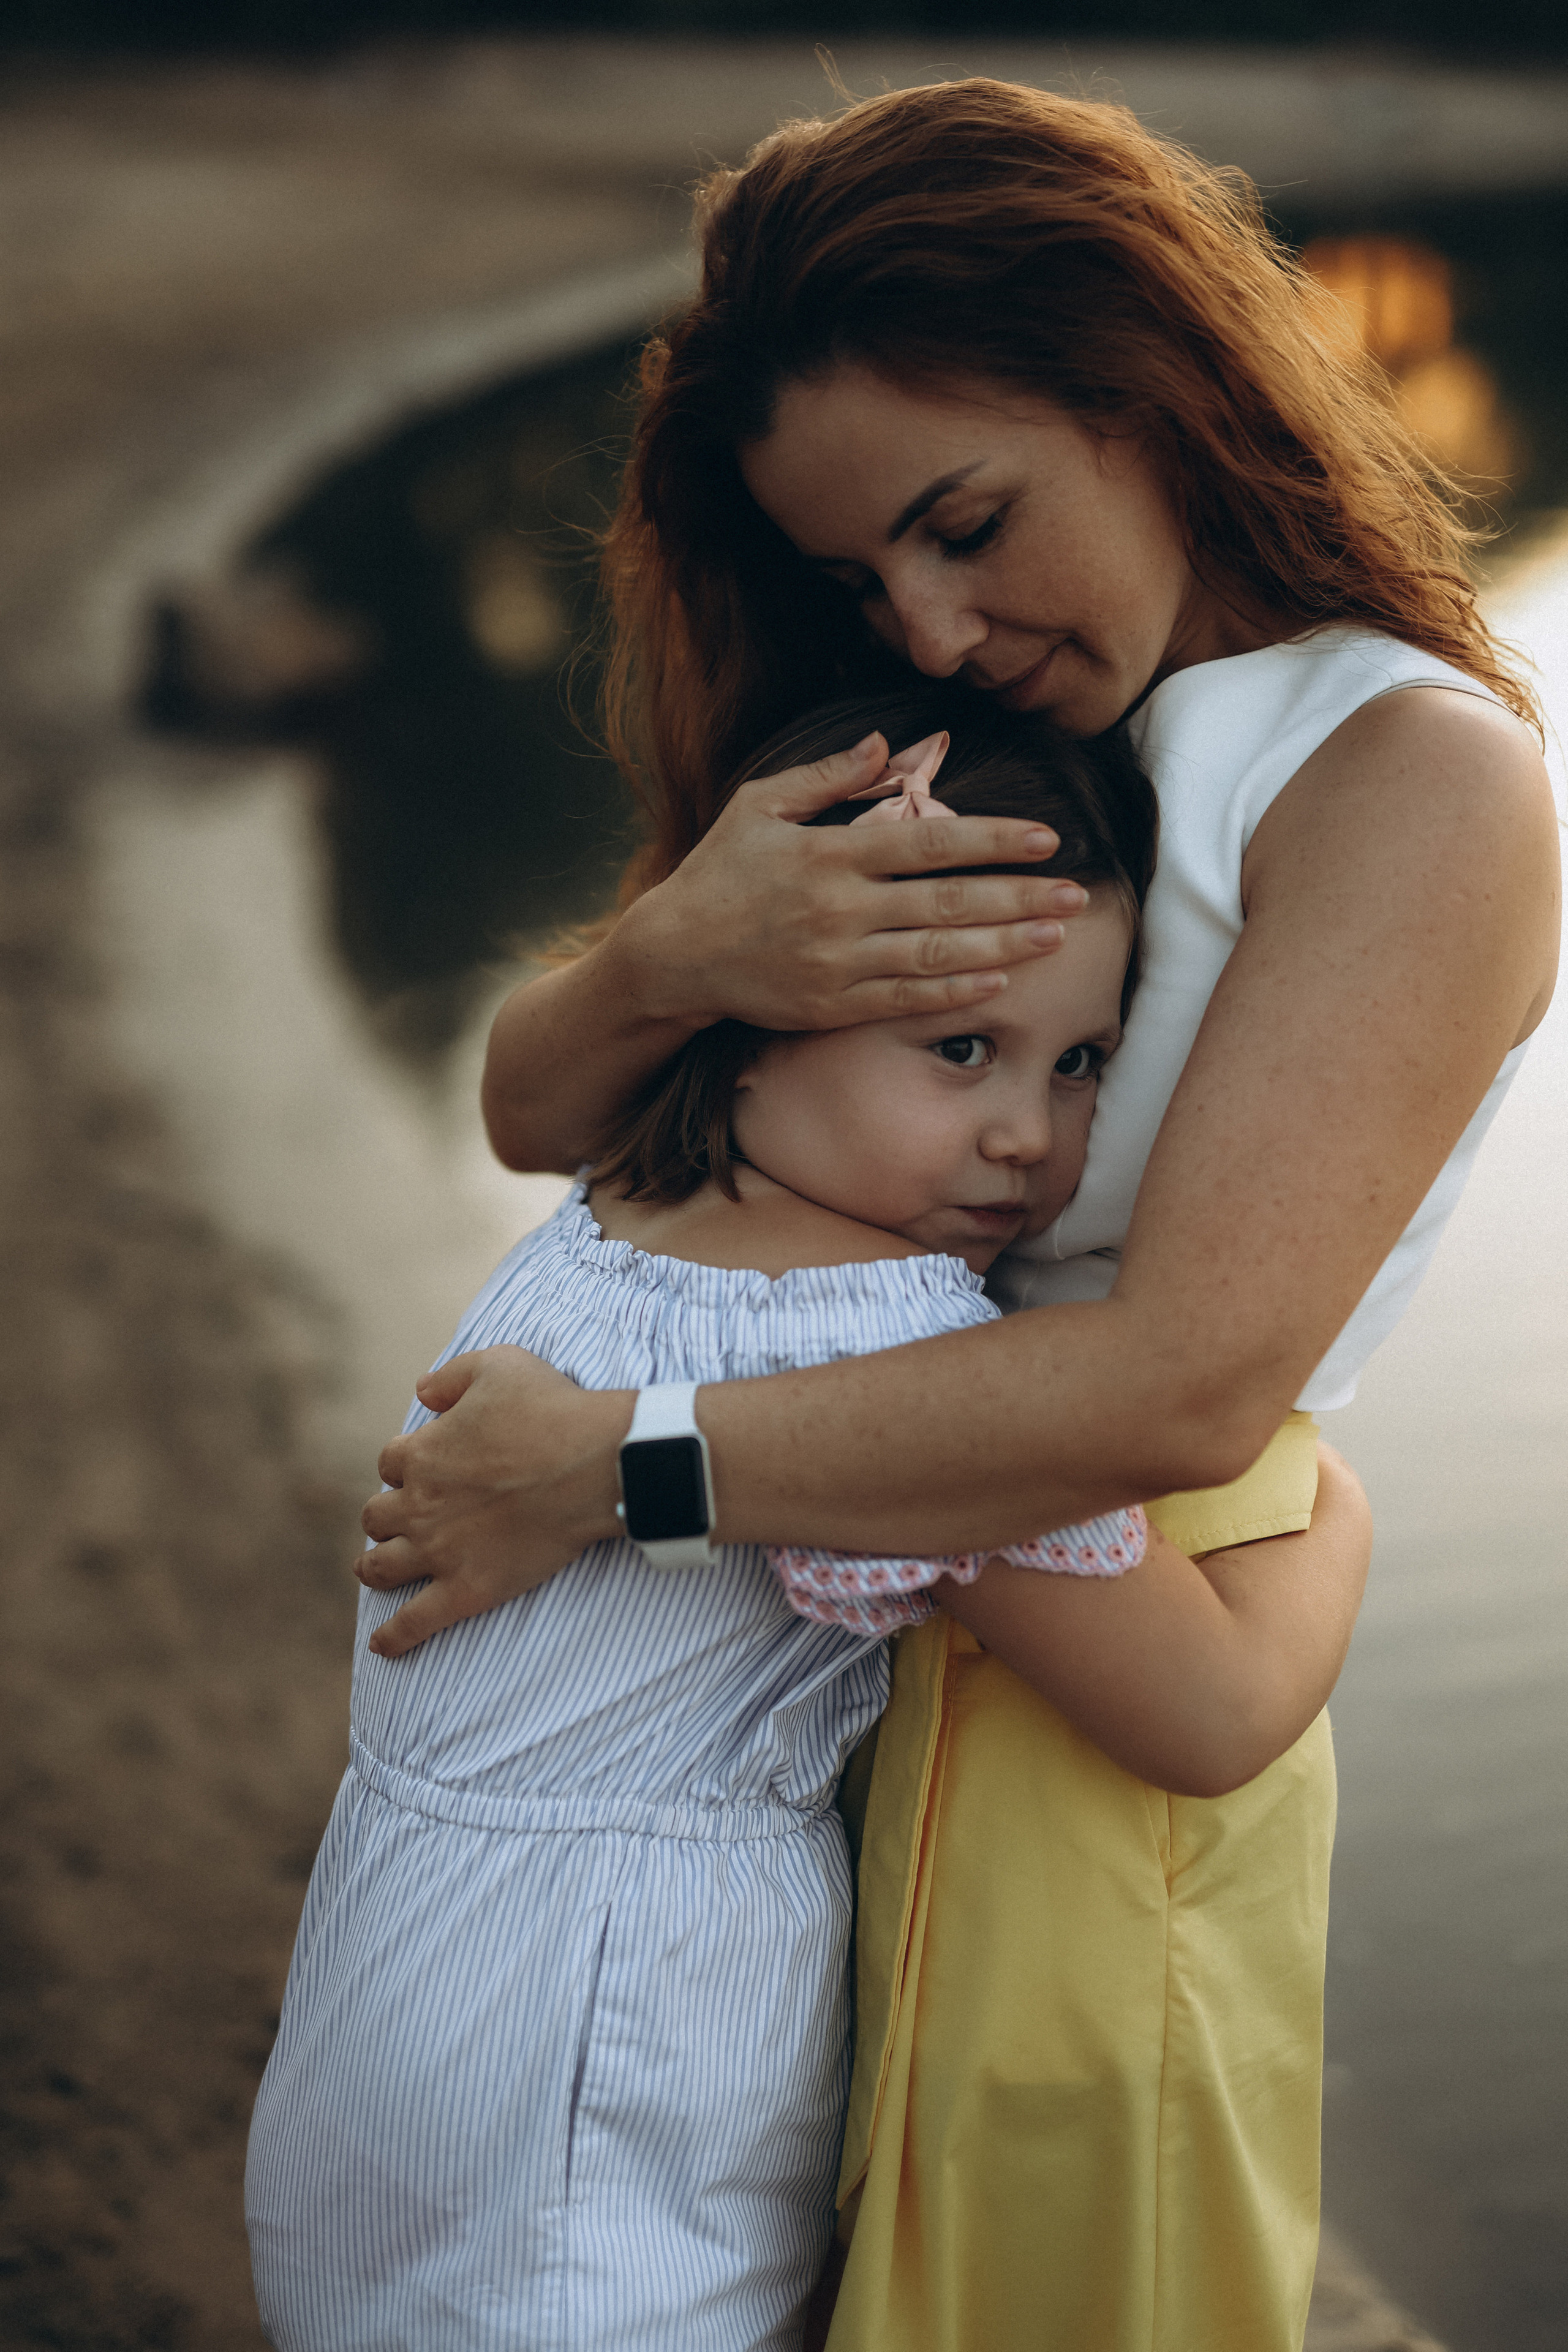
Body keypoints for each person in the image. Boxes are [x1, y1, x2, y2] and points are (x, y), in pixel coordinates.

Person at [356, 78, 1559, 2352]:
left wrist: (616, 1469)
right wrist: (683, 955)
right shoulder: (994, 763)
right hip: (811, 1699)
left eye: (967, 521)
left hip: (1100, 1693)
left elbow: (1187, 1374)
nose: (928, 621)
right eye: (857, 581)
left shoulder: (1413, 778)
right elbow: (543, 1110)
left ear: (1151, 385)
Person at [250, 690, 1364, 2350]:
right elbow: (1205, 1713)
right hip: (610, 2039)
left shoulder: (613, 1206)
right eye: (959, 1051)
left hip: (396, 1960)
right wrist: (1327, 1511)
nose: (1027, 1136)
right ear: (754, 1019)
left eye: (1082, 1066)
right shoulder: (875, 1343)